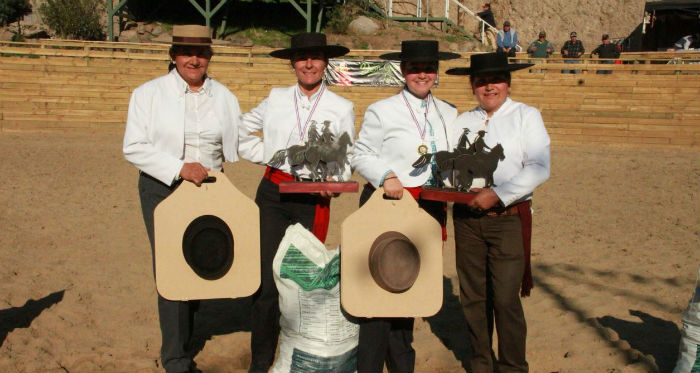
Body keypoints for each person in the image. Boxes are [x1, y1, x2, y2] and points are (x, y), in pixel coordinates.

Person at [123, 25, 244, 373]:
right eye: (187, 52)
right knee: (173, 267)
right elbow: (133, 146)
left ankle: (186, 333)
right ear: (173, 55)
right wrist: (178, 168)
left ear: (209, 57)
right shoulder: (147, 94)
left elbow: (241, 143)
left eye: (201, 53)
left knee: (205, 258)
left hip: (210, 189)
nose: (194, 59)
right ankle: (175, 357)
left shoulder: (224, 96)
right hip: (163, 187)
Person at [237, 32, 355, 373]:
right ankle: (260, 363)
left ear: (325, 62)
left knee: (303, 283)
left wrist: (332, 180)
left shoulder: (341, 106)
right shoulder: (275, 98)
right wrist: (275, 159)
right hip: (273, 194)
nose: (309, 63)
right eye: (302, 57)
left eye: (316, 57)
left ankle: (300, 359)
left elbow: (344, 159)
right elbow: (242, 131)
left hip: (312, 198)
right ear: (293, 62)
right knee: (265, 283)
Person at [351, 39, 460, 373]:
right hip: (388, 202)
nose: (421, 74)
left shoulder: (450, 113)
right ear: (403, 70)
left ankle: (402, 367)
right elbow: (360, 153)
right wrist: (386, 175)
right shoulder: (381, 110)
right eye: (414, 68)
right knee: (376, 294)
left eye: (428, 68)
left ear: (437, 72)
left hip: (427, 208)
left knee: (408, 293)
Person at [445, 52, 551, 373]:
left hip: (507, 219)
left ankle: (513, 367)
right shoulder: (461, 121)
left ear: (508, 82)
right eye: (481, 81)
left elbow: (539, 167)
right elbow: (450, 167)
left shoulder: (526, 116)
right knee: (474, 298)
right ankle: (480, 364)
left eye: (496, 80)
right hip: (466, 220)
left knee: (505, 299)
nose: (489, 86)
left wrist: (499, 194)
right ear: (472, 85)